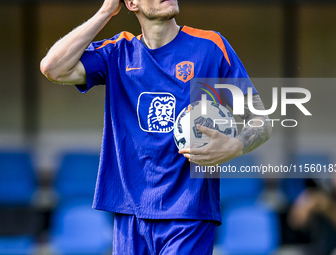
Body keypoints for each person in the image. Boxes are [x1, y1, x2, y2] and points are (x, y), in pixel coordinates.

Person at [40, 0, 272, 254]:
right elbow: (53, 68)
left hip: (189, 212)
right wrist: (106, 11)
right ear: (131, 3)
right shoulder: (119, 51)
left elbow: (261, 120)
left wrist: (235, 146)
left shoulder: (210, 47)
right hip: (129, 212)